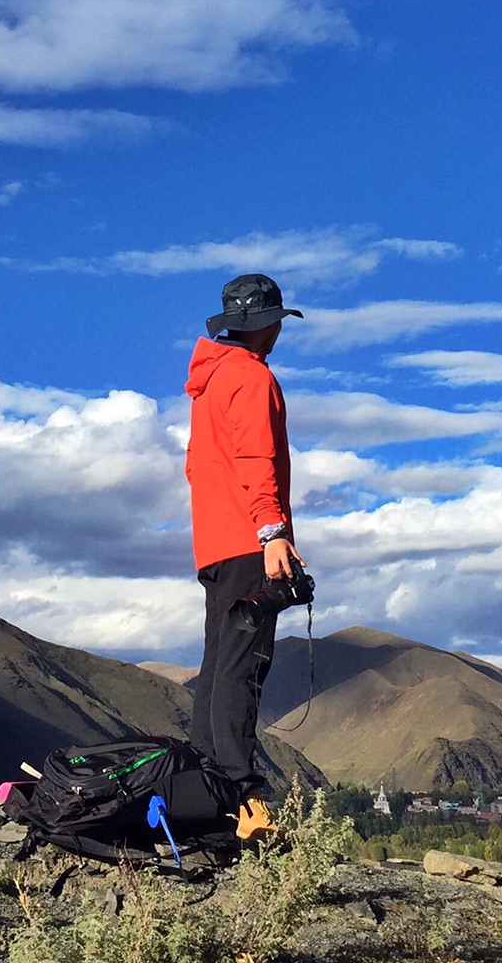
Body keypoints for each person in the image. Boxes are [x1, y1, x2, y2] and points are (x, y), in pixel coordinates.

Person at [183, 272, 305, 841]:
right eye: (277, 321)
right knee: (243, 667)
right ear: (267, 325)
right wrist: (272, 531)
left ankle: (209, 794)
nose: (279, 330)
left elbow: (199, 470)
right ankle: (244, 801)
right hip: (247, 541)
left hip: (214, 546)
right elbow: (257, 459)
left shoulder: (209, 385)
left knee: (217, 664)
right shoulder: (251, 378)